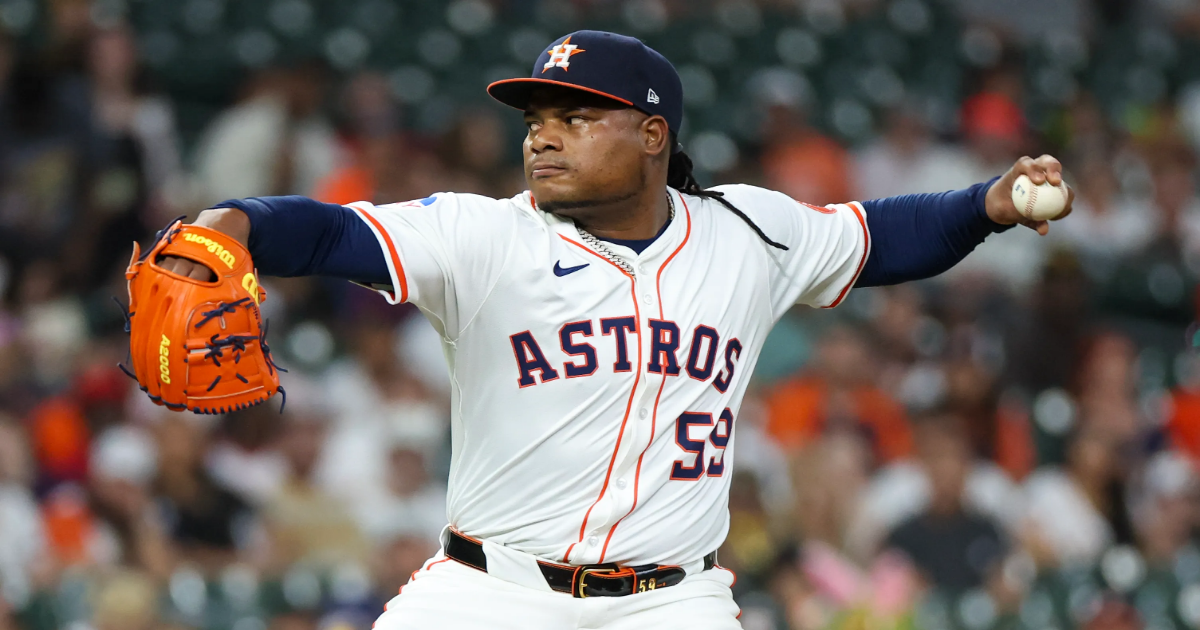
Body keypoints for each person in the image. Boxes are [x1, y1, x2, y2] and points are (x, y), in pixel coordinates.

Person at [155, 30, 1073, 630]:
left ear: (651, 136)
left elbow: (882, 238)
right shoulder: (483, 235)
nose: (542, 137)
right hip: (490, 591)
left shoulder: (746, 231)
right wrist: (237, 220)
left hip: (669, 602)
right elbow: (330, 233)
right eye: (536, 120)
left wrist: (986, 205)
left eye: (576, 117)